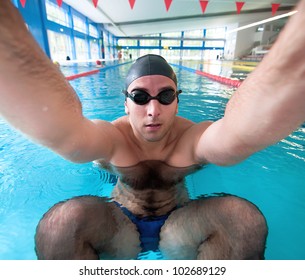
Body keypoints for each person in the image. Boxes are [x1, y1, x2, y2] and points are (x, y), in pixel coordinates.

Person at [1, 0, 305, 260]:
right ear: (125, 103)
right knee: (61, 223)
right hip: (117, 225)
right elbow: (68, 136)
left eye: (165, 96)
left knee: (243, 218)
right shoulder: (112, 137)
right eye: (140, 97)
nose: (153, 110)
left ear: (177, 101)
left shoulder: (191, 138)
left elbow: (236, 137)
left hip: (182, 226)